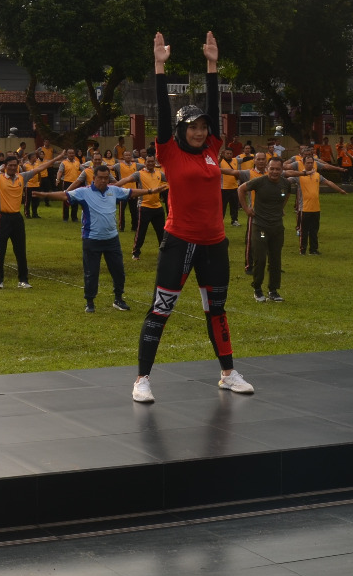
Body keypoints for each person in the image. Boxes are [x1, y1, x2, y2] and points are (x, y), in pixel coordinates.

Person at [134, 31, 254, 404]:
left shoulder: (213, 149)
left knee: (215, 310)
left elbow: (216, 108)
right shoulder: (169, 151)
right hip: (180, 241)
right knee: (162, 308)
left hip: (214, 243)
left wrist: (212, 66)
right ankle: (142, 379)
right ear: (182, 130)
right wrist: (159, 67)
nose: (200, 132)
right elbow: (162, 109)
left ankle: (228, 373)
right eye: (193, 127)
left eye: (203, 127)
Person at [36, 162, 136, 312]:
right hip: (92, 240)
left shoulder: (114, 191)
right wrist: (46, 194)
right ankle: (89, 302)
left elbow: (132, 192)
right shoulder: (84, 192)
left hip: (112, 240)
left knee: (118, 271)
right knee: (91, 272)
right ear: (93, 178)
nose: (103, 181)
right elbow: (65, 195)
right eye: (100, 178)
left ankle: (118, 299)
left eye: (106, 178)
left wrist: (151, 191)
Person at [0, 152, 61, 289]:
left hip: (17, 218)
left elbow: (40, 168)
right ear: (5, 166)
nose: (13, 168)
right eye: (10, 165)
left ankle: (23, 280)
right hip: (3, 218)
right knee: (0, 251)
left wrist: (56, 158)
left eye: (15, 165)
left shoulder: (22, 177)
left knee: (21, 251)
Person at [239, 158, 295, 303]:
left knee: (276, 260)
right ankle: (257, 289)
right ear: (268, 169)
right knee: (260, 259)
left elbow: (287, 194)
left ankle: (273, 290)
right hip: (260, 226)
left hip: (277, 227)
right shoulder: (259, 181)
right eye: (272, 168)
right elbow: (241, 189)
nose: (275, 172)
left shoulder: (285, 183)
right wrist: (246, 209)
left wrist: (281, 208)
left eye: (278, 169)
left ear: (282, 170)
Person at [291, 154, 345, 256]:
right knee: (304, 231)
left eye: (312, 163)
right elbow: (287, 180)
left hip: (316, 208)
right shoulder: (299, 176)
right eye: (308, 163)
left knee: (314, 231)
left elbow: (328, 182)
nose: (310, 164)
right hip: (304, 209)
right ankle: (302, 250)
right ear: (303, 163)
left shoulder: (317, 175)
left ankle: (313, 250)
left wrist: (340, 190)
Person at [124, 154, 169, 259]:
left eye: (152, 161)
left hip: (157, 207)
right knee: (141, 231)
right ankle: (136, 253)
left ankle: (164, 252)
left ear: (155, 163)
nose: (150, 163)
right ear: (145, 163)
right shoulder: (139, 174)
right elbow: (127, 180)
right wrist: (115, 185)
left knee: (161, 232)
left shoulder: (159, 173)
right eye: (148, 161)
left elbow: (172, 179)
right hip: (144, 207)